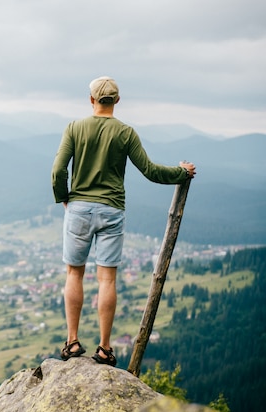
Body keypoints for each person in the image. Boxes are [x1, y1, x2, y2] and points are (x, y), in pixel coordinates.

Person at [51, 76, 196, 367]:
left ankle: (72, 341)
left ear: (91, 100)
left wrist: (64, 198)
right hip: (112, 210)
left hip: (78, 209)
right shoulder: (126, 132)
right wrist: (181, 173)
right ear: (116, 101)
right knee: (107, 279)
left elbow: (58, 171)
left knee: (74, 275)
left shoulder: (74, 128)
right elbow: (151, 171)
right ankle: (104, 348)